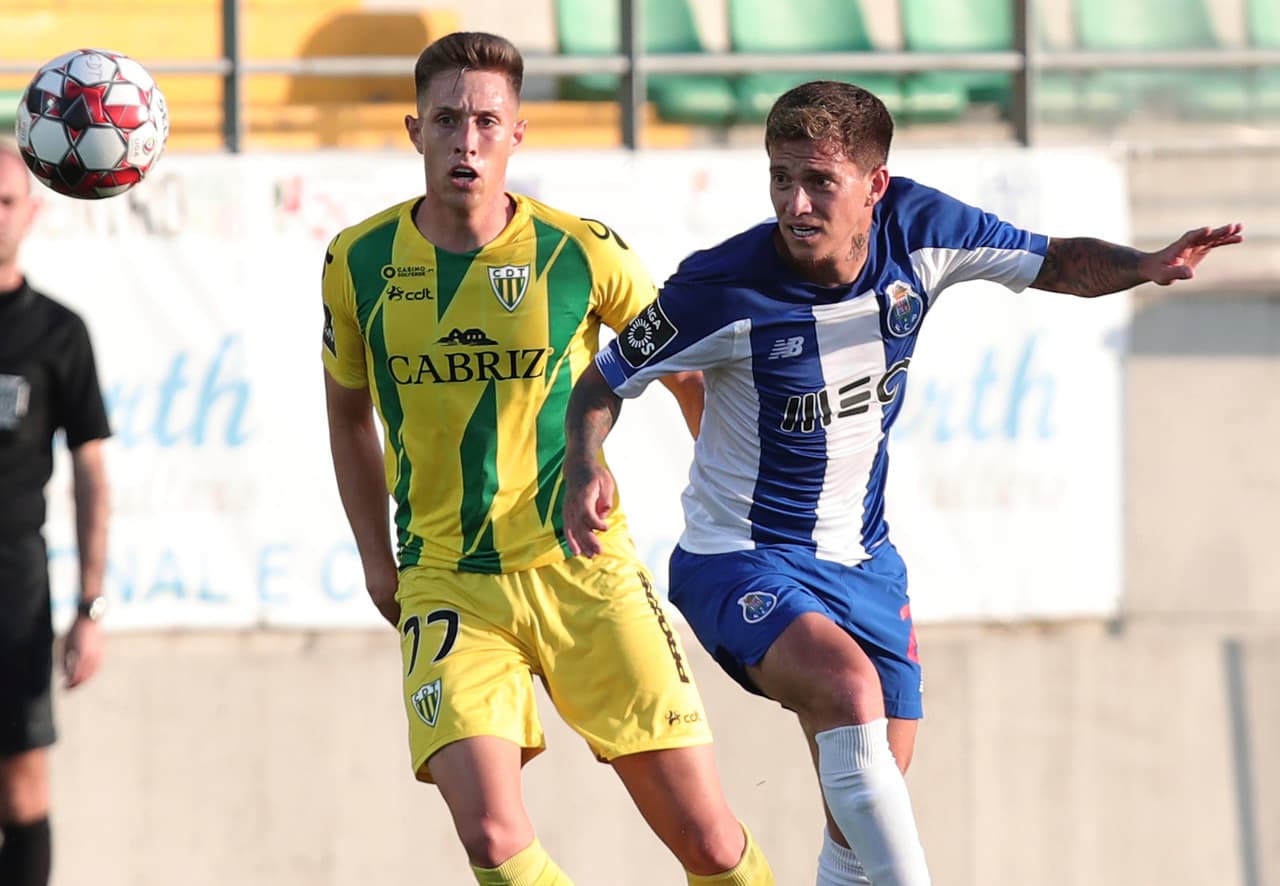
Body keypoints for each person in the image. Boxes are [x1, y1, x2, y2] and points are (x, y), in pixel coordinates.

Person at [562, 80, 1243, 886]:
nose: (797, 203)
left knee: (857, 829)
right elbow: (603, 381)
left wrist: (1148, 264)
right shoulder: (719, 286)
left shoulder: (922, 230)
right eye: (782, 177)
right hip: (738, 558)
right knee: (850, 694)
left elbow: (1055, 260)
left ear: (875, 186)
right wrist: (585, 463)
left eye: (821, 181)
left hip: (865, 566)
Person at [320, 32, 774, 886]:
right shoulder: (358, 261)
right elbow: (348, 412)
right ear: (414, 131)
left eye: (487, 121)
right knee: (493, 836)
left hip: (584, 570)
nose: (467, 142)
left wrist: (733, 527)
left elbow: (689, 384)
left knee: (710, 843)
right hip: (446, 578)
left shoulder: (581, 254)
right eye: (448, 120)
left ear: (518, 134)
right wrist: (377, 562)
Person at [0, 139, 111, 886]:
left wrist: (88, 605)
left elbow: (92, 472)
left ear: (33, 212)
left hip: (13, 586)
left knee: (20, 786)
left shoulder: (57, 332)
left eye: (5, 201)